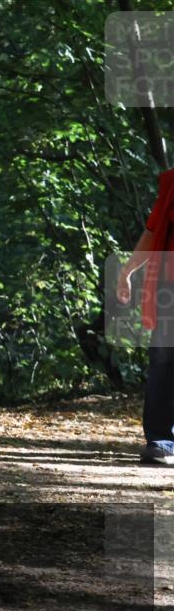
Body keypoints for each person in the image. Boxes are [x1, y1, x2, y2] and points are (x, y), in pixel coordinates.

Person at [116, 168, 174, 465]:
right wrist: (127, 271)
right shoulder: (172, 182)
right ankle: (162, 440)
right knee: (163, 360)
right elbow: (153, 231)